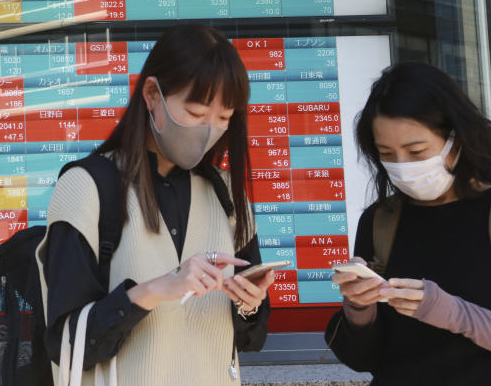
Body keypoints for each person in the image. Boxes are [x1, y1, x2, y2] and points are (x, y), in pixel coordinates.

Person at [36, 24, 274, 385]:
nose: (209, 130)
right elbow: (67, 343)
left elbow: (250, 340)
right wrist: (155, 290)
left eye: (224, 118)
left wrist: (249, 303)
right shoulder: (87, 187)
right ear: (152, 94)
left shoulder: (226, 195)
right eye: (196, 113)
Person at [326, 62, 491, 385]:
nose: (402, 167)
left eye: (416, 151)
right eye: (386, 153)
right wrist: (358, 308)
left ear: (455, 140)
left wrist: (452, 312)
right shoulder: (381, 220)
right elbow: (363, 359)